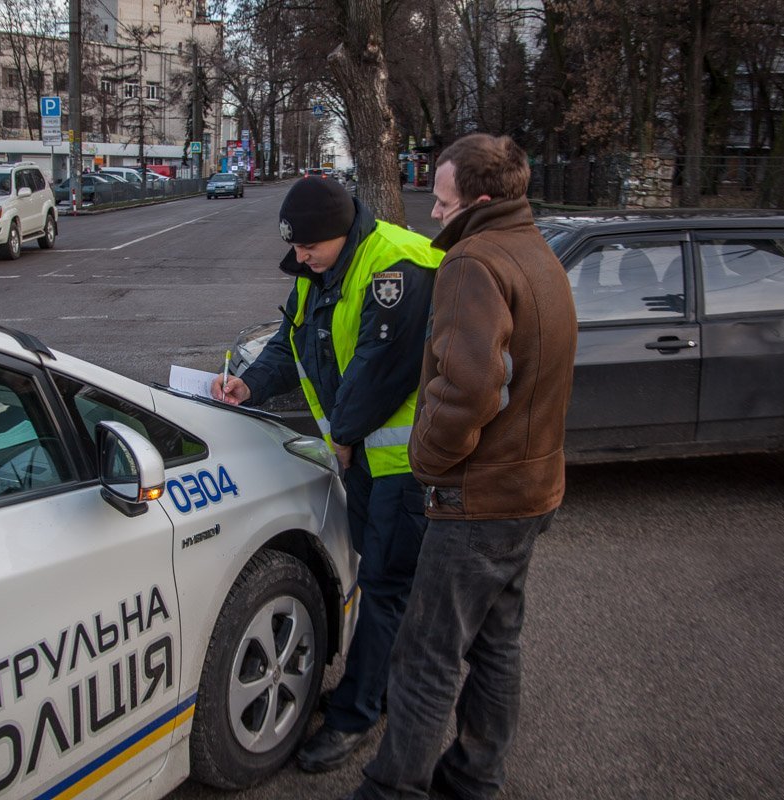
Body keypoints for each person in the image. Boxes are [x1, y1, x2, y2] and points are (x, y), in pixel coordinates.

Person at [347, 133, 578, 800]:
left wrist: (428, 459)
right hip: (532, 489)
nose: (435, 216)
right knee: (497, 643)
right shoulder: (534, 250)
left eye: (442, 203)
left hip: (480, 500)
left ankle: (395, 789)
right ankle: (475, 777)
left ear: (477, 199)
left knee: (426, 655)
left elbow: (473, 386)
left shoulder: (473, 263)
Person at [210, 177, 443, 772]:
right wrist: (248, 383)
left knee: (388, 586)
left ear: (341, 234)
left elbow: (379, 373)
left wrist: (339, 438)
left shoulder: (396, 266)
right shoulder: (319, 267)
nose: (301, 260)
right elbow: (292, 343)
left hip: (401, 463)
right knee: (380, 578)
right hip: (364, 456)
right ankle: (378, 684)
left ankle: (357, 715)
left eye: (309, 249)